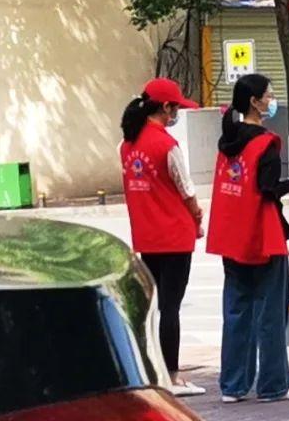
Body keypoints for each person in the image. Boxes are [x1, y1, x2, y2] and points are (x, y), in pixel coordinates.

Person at [207, 74, 289, 404]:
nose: (271, 100)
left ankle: (232, 385)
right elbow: (267, 189)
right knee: (270, 314)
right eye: (269, 95)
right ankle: (273, 385)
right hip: (263, 237)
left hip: (231, 237)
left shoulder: (226, 143)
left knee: (235, 312)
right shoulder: (266, 143)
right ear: (254, 102)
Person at [119, 78, 205, 397]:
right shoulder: (167, 145)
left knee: (152, 308)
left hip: (147, 236)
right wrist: (197, 217)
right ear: (164, 107)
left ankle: (150, 370)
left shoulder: (126, 145)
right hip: (175, 236)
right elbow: (186, 189)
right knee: (171, 307)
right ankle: (173, 375)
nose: (176, 114)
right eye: (175, 108)